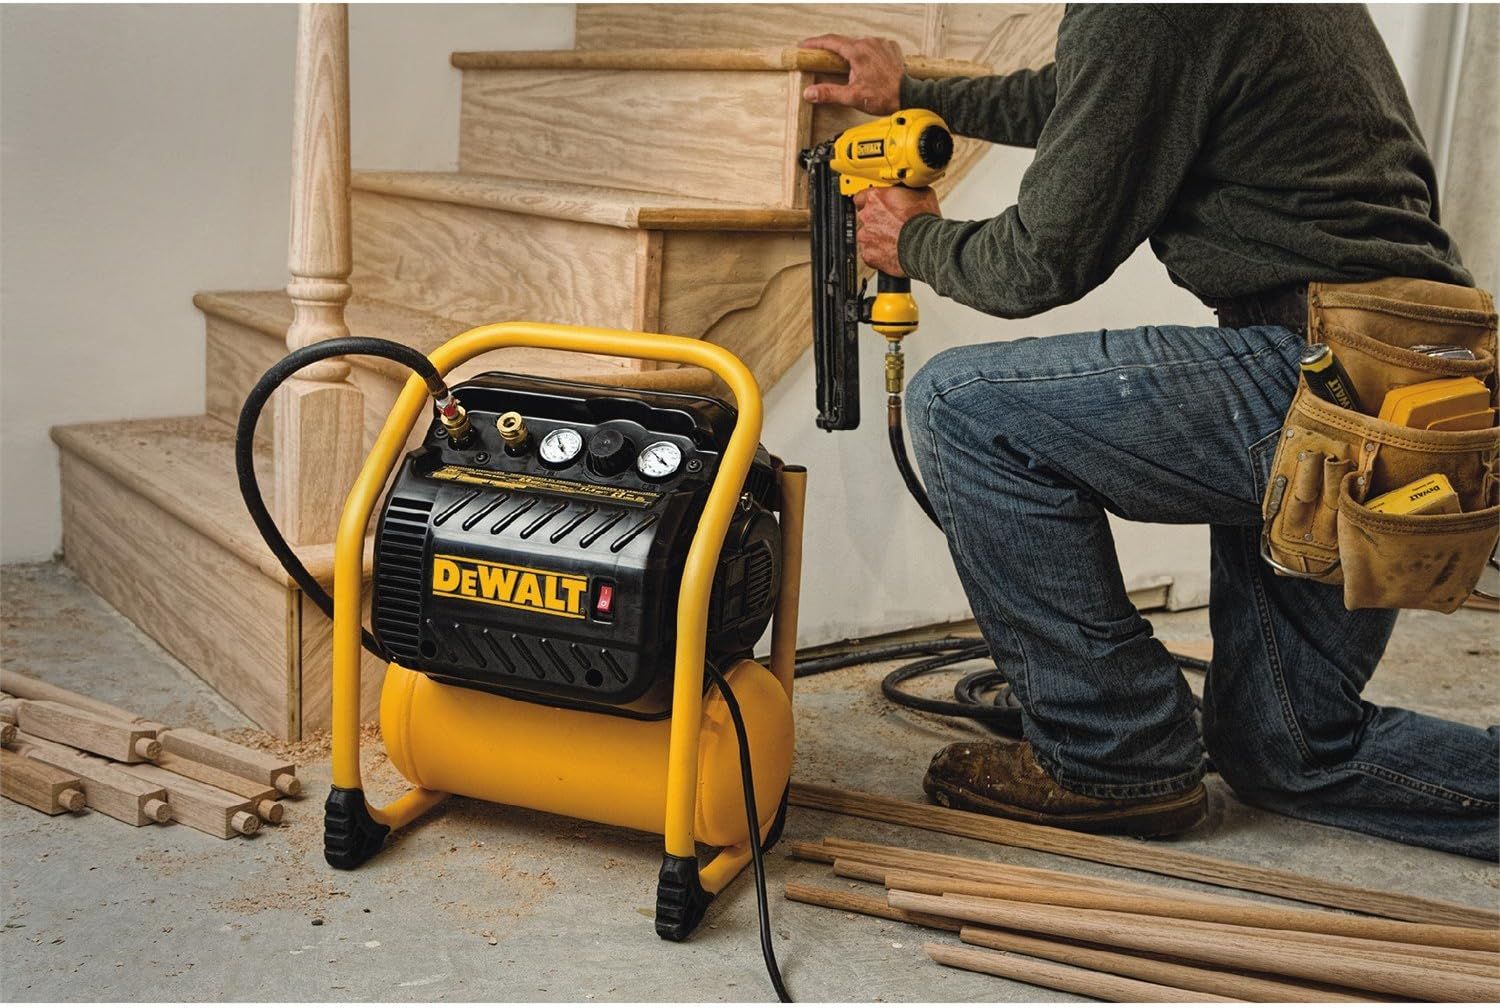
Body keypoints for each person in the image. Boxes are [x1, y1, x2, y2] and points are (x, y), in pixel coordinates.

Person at [800, 5, 1498, 860]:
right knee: (1291, 750)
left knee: (963, 406)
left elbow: (1039, 262)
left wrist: (916, 241)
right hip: (1417, 377)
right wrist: (916, 92)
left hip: (1323, 373)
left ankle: (1113, 754)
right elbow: (1096, 94)